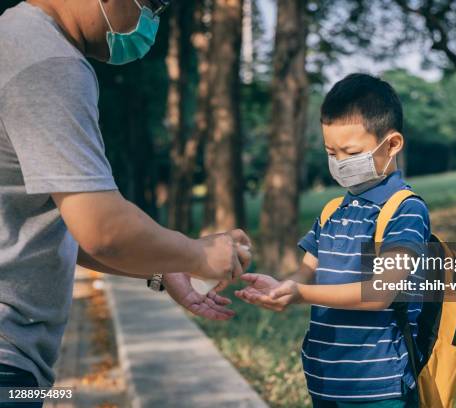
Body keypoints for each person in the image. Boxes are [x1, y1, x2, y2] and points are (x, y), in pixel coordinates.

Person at [0, 0, 251, 400]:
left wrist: (163, 269)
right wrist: (200, 254)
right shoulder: (50, 61)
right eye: (151, 5)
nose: (150, 21)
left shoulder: (14, 37)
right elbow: (102, 229)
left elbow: (50, 229)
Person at [236, 73, 430, 407]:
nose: (340, 163)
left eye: (351, 152)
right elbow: (307, 271)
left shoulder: (405, 210)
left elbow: (381, 293)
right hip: (326, 377)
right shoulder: (331, 211)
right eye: (331, 152)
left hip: (378, 386)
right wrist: (282, 287)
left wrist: (300, 295)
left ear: (393, 144)